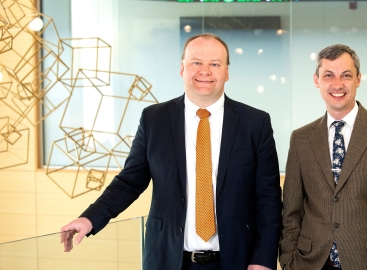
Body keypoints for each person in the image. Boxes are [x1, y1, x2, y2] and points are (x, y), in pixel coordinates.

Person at [60, 33, 282, 270]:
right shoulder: (154, 119)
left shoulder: (255, 123)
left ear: (226, 72)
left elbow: (268, 197)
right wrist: (90, 217)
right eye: (196, 62)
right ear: (182, 68)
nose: (205, 71)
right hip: (167, 259)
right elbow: (129, 182)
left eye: (214, 64)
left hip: (236, 261)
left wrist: (263, 259)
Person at [279, 44, 367, 270]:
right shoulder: (301, 139)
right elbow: (291, 211)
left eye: (346, 76)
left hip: (365, 262)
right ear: (316, 80)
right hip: (308, 262)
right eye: (328, 76)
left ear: (358, 79)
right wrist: (288, 261)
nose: (337, 84)